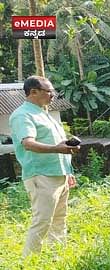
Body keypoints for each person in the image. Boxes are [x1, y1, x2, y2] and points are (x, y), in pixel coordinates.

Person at [9, 76, 80, 257]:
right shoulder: (22, 115)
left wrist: (68, 171)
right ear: (33, 92)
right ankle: (30, 264)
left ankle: (56, 258)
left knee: (59, 220)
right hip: (41, 175)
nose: (52, 95)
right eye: (48, 91)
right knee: (42, 221)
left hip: (59, 174)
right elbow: (28, 143)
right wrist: (58, 148)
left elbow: (57, 145)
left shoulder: (45, 114)